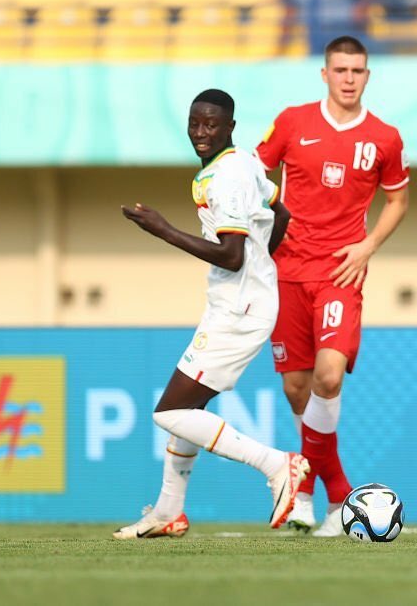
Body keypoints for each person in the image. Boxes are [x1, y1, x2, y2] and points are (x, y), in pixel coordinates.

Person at [114, 89, 308, 539]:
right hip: (242, 300)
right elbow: (280, 212)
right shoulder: (242, 163)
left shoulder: (227, 178)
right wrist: (265, 266)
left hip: (239, 307)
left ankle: (277, 465)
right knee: (190, 408)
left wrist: (163, 230)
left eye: (211, 124)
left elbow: (232, 255)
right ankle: (168, 511)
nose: (201, 133)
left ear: (230, 127)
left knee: (170, 412)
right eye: (195, 123)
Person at [257, 36, 410, 536]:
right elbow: (255, 179)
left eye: (357, 70)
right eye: (340, 69)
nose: (348, 78)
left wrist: (367, 247)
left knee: (328, 377)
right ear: (324, 74)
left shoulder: (384, 138)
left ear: (368, 76)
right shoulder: (291, 122)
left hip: (341, 272)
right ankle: (334, 497)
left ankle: (312, 494)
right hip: (286, 273)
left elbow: (398, 202)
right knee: (297, 389)